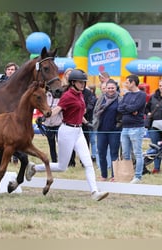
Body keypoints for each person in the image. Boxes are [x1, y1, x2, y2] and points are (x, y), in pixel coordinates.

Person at [25, 69, 109, 201]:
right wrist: (44, 117)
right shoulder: (67, 96)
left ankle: (94, 192)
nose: (83, 85)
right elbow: (56, 111)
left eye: (84, 82)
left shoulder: (80, 95)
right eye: (80, 82)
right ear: (73, 82)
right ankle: (34, 167)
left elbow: (79, 112)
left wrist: (88, 123)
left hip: (79, 131)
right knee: (61, 167)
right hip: (67, 131)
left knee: (88, 163)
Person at [117, 74, 146, 184]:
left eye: (127, 82)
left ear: (133, 82)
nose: (126, 84)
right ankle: (128, 173)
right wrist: (130, 110)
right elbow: (120, 108)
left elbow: (136, 107)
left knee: (138, 153)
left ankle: (138, 176)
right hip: (125, 127)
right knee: (125, 152)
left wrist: (129, 108)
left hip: (136, 128)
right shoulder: (127, 95)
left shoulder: (141, 95)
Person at [92, 79, 122, 181]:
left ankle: (114, 175)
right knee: (101, 153)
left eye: (112, 88)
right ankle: (104, 175)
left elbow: (122, 114)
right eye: (108, 88)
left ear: (116, 88)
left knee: (114, 153)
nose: (110, 90)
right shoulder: (101, 99)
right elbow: (96, 111)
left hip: (114, 131)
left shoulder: (120, 99)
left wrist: (119, 125)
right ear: (105, 89)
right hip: (101, 130)